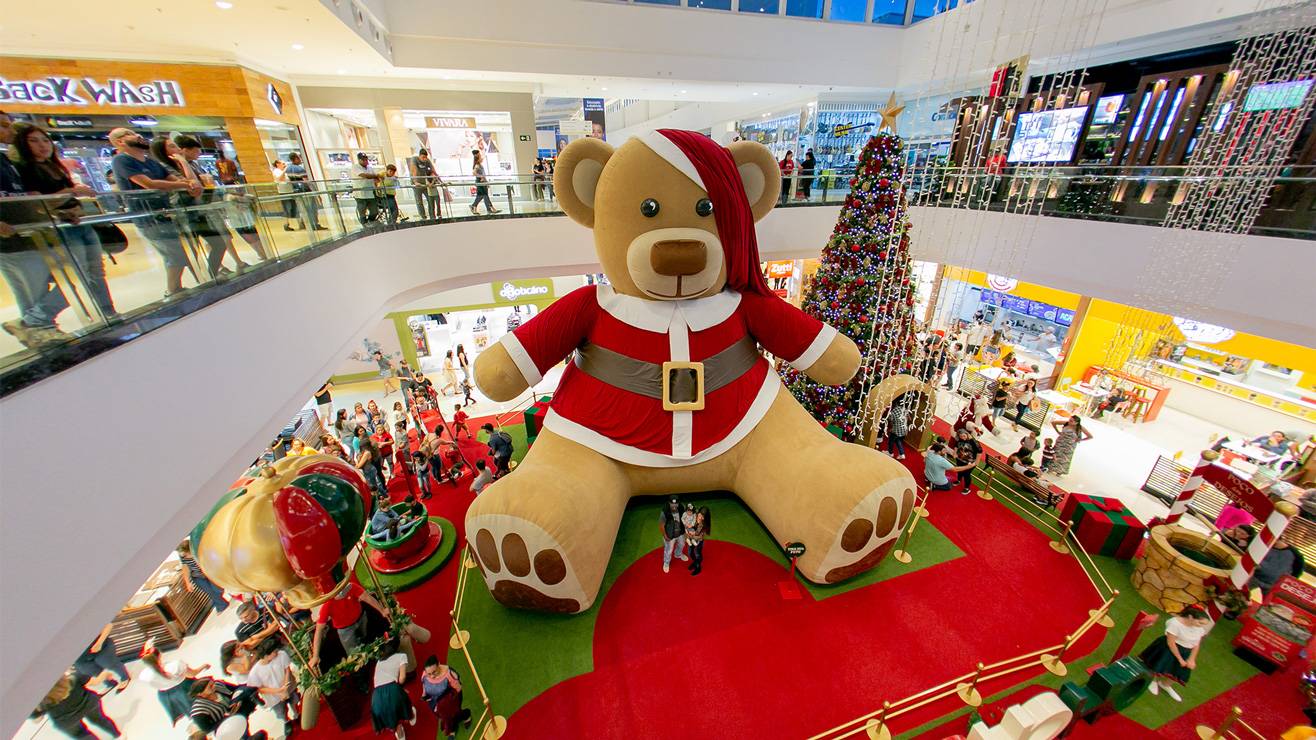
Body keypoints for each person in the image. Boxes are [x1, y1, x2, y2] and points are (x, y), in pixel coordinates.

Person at [8, 122, 116, 324]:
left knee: (95, 271)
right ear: (23, 144)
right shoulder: (24, 170)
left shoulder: (54, 167)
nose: (42, 145)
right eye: (33, 141)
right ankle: (34, 319)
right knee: (78, 275)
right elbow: (36, 204)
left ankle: (107, 312)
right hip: (59, 228)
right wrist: (71, 192)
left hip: (79, 224)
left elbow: (67, 199)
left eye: (45, 140)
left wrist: (76, 205)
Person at [108, 127, 201, 298]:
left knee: (179, 253)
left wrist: (185, 171)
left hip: (165, 214)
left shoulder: (151, 162)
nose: (137, 136)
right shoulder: (121, 160)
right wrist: (185, 185)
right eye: (129, 134)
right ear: (119, 141)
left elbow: (182, 181)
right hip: (148, 217)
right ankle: (173, 291)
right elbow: (148, 184)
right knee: (174, 254)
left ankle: (175, 289)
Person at [172, 134, 245, 279]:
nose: (199, 154)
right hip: (193, 211)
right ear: (185, 150)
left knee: (218, 240)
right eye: (196, 151)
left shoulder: (193, 164)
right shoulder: (178, 166)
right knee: (211, 242)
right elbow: (192, 185)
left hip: (204, 207)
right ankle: (210, 275)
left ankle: (216, 270)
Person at [1139, 606, 1214, 702]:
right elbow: (1171, 643)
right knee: (1160, 664)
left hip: (1185, 651)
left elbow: (1196, 644)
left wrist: (1192, 659)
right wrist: (1180, 659)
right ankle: (1152, 681)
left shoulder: (1198, 628)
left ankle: (1165, 685)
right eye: (1200, 622)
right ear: (1190, 617)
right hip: (1168, 649)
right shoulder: (1175, 623)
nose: (1201, 626)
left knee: (1179, 670)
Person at [309, 581, 389, 667]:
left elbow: (367, 597)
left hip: (361, 618)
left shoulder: (351, 587)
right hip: (345, 631)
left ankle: (375, 660)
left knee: (367, 638)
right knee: (354, 654)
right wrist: (315, 655)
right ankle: (364, 668)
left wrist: (382, 611)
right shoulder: (327, 604)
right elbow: (319, 630)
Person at [31, 671, 122, 738]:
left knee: (81, 735)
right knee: (100, 719)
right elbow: (96, 682)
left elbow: (37, 719)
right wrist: (104, 674)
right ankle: (118, 735)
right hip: (88, 704)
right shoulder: (73, 678)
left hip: (67, 720)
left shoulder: (38, 702)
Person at [139, 640, 209, 725]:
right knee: (201, 705)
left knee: (188, 709)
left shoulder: (143, 676)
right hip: (185, 688)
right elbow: (192, 674)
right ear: (160, 655)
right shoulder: (175, 665)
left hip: (166, 695)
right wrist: (203, 666)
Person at [245, 637, 299, 734]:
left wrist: (285, 687)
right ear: (266, 655)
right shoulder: (255, 672)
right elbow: (260, 689)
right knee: (281, 711)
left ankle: (296, 714)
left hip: (288, 687)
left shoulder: (281, 655)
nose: (277, 652)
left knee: (294, 701)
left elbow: (287, 670)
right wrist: (279, 691)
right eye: (274, 651)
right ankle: (286, 721)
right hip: (273, 696)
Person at [371, 637, 416, 739]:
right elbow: (402, 678)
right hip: (392, 689)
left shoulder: (379, 661)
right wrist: (399, 687)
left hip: (376, 695)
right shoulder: (401, 656)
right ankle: (411, 715)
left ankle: (398, 731)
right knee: (404, 701)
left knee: (389, 714)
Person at [421, 656, 472, 739]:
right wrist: (424, 696)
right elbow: (424, 686)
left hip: (451, 701)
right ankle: (452, 729)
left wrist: (452, 702)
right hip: (435, 703)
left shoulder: (449, 674)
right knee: (444, 717)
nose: (432, 676)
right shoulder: (425, 675)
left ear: (439, 665)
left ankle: (466, 716)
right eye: (429, 674)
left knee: (455, 714)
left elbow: (458, 688)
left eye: (434, 672)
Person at [72, 625, 131, 693]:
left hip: (102, 646)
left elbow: (108, 625)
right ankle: (110, 683)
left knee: (104, 660)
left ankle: (125, 676)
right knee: (85, 668)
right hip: (83, 657)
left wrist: (99, 643)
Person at [178, 539, 228, 613]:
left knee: (217, 589)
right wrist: (187, 582)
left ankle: (219, 601)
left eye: (187, 554)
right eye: (184, 555)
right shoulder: (183, 556)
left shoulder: (199, 550)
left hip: (209, 572)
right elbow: (185, 568)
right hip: (197, 576)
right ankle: (221, 605)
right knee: (210, 591)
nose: (185, 556)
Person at [284, 152, 325, 231]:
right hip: (305, 191)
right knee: (311, 208)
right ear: (295, 159)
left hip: (296, 192)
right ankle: (314, 224)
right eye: (299, 158)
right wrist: (316, 193)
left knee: (302, 209)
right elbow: (307, 182)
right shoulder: (300, 169)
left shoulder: (288, 169)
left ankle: (303, 224)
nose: (300, 160)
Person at [351, 152, 381, 224]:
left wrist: (377, 180)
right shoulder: (355, 167)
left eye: (366, 159)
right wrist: (375, 175)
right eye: (363, 160)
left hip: (371, 193)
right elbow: (364, 175)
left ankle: (370, 222)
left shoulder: (370, 168)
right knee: (362, 212)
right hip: (360, 194)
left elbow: (376, 178)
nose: (365, 161)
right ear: (359, 160)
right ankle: (365, 225)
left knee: (374, 211)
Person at [659, 496, 688, 573]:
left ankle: (678, 554)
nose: (674, 506)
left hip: (680, 532)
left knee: (682, 544)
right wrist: (665, 535)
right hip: (670, 534)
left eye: (676, 504)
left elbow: (685, 519)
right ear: (669, 503)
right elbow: (661, 525)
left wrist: (686, 531)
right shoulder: (665, 511)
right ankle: (666, 562)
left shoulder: (682, 507)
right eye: (672, 504)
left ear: (678, 504)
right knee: (669, 550)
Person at [951, 427, 983, 494]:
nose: (963, 437)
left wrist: (976, 462)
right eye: (961, 436)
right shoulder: (959, 439)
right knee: (959, 471)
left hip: (970, 462)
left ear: (967, 434)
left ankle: (967, 488)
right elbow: (956, 446)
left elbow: (979, 451)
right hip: (960, 459)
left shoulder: (973, 441)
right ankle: (958, 480)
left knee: (966, 474)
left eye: (964, 436)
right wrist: (955, 453)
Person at [355, 427, 387, 494]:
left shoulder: (366, 452)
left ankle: (384, 495)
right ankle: (384, 493)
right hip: (371, 468)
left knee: (374, 485)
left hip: (369, 470)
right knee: (376, 483)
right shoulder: (369, 447)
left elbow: (359, 465)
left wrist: (356, 465)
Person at [410, 149, 440, 220]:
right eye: (423, 157)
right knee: (419, 201)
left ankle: (432, 216)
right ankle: (423, 217)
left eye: (425, 157)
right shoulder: (414, 159)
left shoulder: (427, 160)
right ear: (419, 156)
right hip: (417, 184)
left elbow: (433, 170)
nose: (424, 159)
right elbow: (414, 170)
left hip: (425, 184)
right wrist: (415, 181)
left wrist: (438, 179)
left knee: (429, 199)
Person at [469, 149, 499, 215]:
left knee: (481, 196)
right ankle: (490, 208)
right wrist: (481, 177)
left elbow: (482, 174)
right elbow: (474, 173)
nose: (481, 156)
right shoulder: (477, 165)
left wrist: (485, 181)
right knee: (485, 195)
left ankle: (474, 206)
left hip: (482, 182)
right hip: (480, 182)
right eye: (480, 155)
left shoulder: (479, 164)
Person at [686, 506, 711, 575]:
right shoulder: (694, 516)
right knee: (690, 552)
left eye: (703, 517)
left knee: (697, 554)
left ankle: (698, 567)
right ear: (698, 512)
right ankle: (695, 562)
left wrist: (691, 535)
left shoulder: (704, 524)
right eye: (700, 514)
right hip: (691, 539)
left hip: (698, 541)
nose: (700, 517)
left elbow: (700, 537)